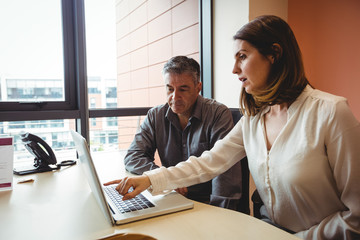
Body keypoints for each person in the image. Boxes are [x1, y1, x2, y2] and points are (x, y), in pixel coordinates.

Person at [105, 15, 360, 239]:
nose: (234, 69)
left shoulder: (331, 113)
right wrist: (150, 179)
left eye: (243, 56)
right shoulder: (254, 117)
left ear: (274, 54)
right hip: (267, 231)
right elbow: (209, 162)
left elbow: (356, 219)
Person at [121, 56, 245, 211]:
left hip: (208, 204)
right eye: (170, 89)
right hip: (171, 198)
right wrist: (162, 179)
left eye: (183, 89)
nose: (174, 97)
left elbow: (225, 176)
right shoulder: (155, 115)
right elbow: (133, 155)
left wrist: (218, 216)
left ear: (198, 87)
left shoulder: (217, 114)